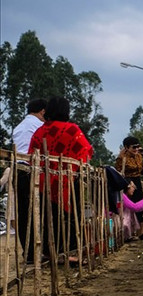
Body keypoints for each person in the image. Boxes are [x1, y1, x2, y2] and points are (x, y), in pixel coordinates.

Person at [28, 96, 94, 263]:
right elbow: (86, 152)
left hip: (43, 181)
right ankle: (70, 253)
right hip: (68, 181)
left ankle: (49, 251)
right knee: (71, 217)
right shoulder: (72, 130)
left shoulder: (40, 131)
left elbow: (32, 155)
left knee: (47, 217)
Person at [12, 98, 47, 261]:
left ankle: (28, 252)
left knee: (23, 212)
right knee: (39, 211)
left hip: (17, 170)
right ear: (43, 112)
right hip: (32, 169)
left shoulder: (19, 127)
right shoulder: (40, 126)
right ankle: (41, 249)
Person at [116, 136, 143, 227]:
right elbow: (118, 173)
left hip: (137, 180)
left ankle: (141, 231)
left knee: (140, 203)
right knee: (129, 206)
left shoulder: (139, 156)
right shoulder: (121, 158)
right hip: (127, 182)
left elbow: (142, 171)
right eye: (134, 147)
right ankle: (130, 230)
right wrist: (128, 183)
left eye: (138, 147)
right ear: (126, 147)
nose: (136, 149)